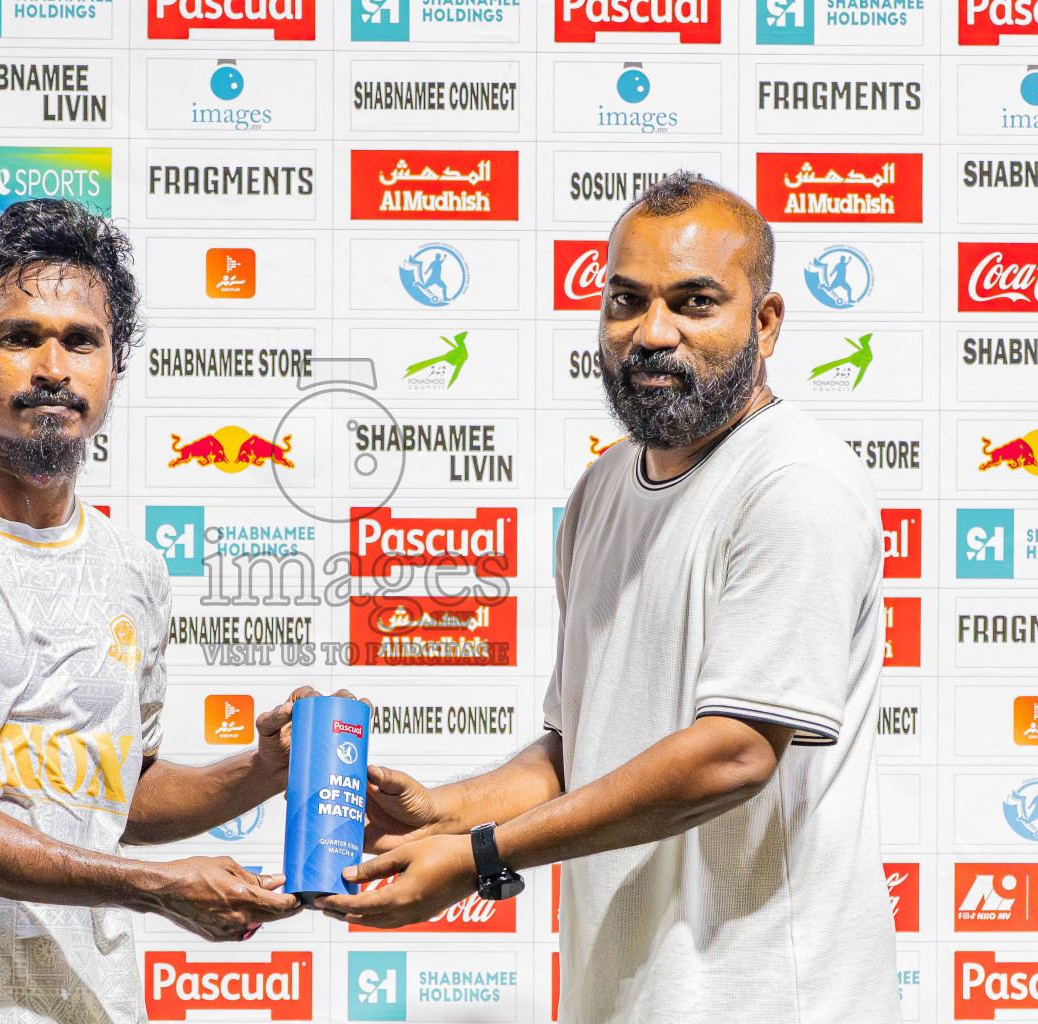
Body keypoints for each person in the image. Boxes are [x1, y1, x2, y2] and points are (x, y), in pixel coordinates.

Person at [318, 172, 901, 1023]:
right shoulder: (601, 492)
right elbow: (578, 748)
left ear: (766, 323)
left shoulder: (795, 484)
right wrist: (444, 814)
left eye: (694, 302)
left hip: (768, 1000)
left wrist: (480, 856)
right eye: (625, 301)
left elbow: (733, 752)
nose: (651, 333)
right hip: (623, 996)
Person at [0, 199, 331, 1024]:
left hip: (95, 1006)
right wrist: (155, 889)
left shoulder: (137, 570)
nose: (53, 365)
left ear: (113, 368)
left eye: (81, 341)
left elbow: (116, 796)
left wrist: (262, 770)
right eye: (19, 337)